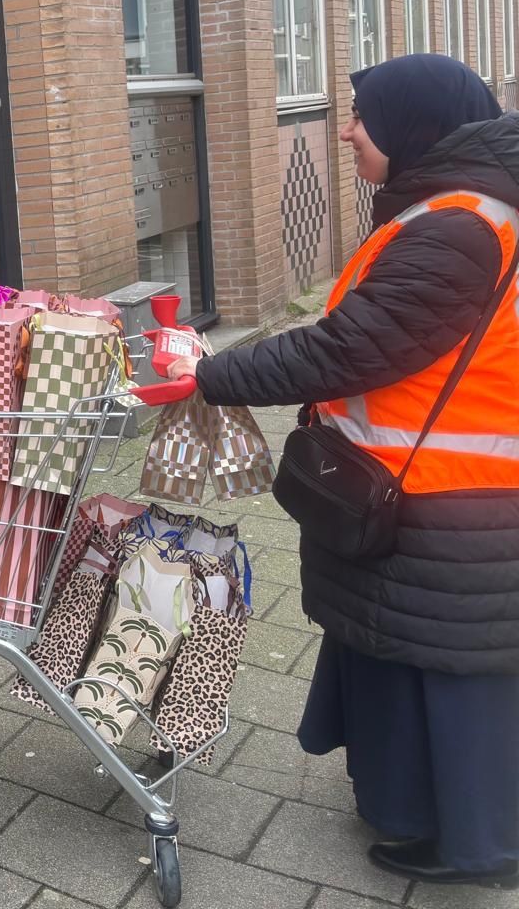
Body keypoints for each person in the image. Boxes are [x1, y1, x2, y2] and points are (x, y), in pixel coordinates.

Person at [169, 54, 519, 889]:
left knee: (446, 668)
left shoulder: (456, 228)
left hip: (449, 501)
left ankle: (477, 840)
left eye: (363, 115)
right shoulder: (446, 211)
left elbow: (351, 347)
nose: (350, 129)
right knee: (403, 648)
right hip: (423, 491)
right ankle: (417, 806)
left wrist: (208, 375)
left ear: (417, 128)